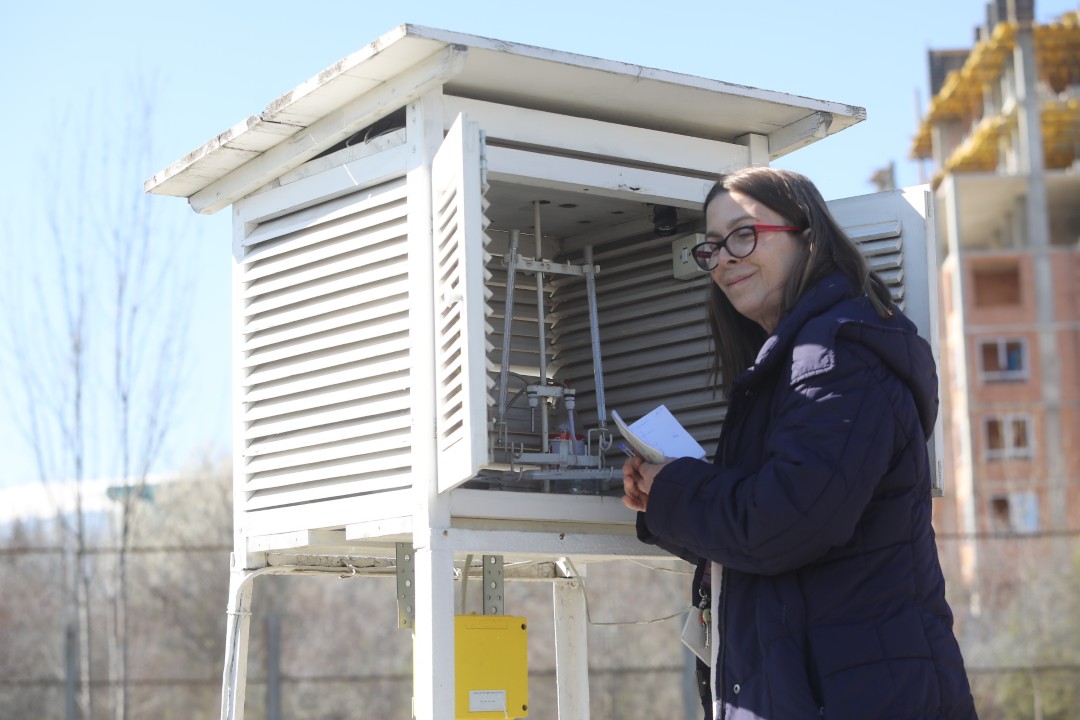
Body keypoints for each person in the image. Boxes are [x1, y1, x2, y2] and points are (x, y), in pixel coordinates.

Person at [622, 167, 978, 719]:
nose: (724, 259)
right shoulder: (792, 365)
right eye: (712, 248)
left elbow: (784, 524)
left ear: (807, 235)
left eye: (743, 235)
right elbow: (781, 540)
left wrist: (679, 492)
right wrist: (663, 494)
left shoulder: (836, 359)